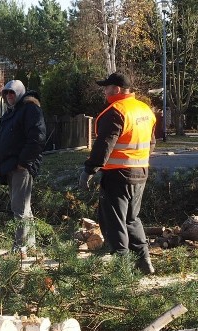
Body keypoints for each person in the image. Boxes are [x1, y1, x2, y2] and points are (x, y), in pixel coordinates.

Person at [79, 72, 156, 274]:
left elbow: (104, 145)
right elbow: (152, 142)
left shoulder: (116, 111)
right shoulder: (145, 110)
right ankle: (144, 260)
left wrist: (89, 169)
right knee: (132, 218)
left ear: (118, 89)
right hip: (140, 172)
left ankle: (122, 268)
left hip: (117, 175)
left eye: (107, 87)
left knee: (114, 220)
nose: (104, 91)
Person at [0, 80, 46, 259]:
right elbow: (1, 145)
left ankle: (20, 249)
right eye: (6, 93)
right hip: (11, 166)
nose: (8, 96)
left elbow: (38, 137)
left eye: (12, 93)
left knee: (19, 208)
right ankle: (30, 246)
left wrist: (24, 162)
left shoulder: (29, 109)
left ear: (20, 93)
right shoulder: (11, 113)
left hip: (21, 167)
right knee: (24, 208)